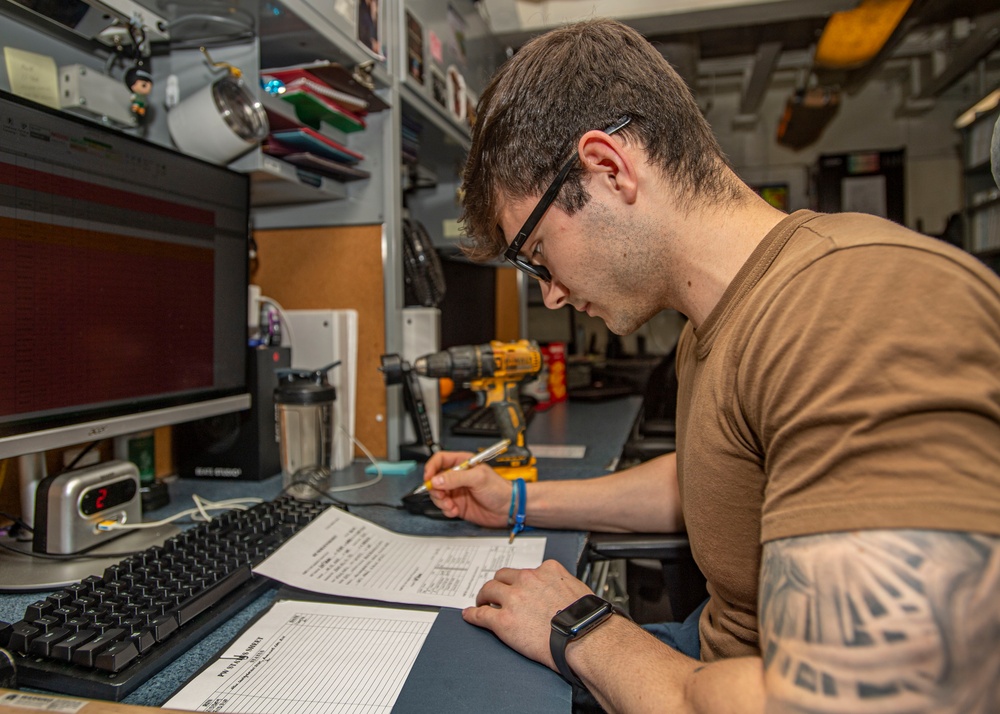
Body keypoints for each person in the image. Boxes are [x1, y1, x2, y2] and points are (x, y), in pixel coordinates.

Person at [422, 17, 1000, 714]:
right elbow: (716, 474)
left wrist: (584, 630)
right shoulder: (717, 319)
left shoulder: (856, 306)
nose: (550, 292)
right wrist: (516, 500)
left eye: (540, 253)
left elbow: (860, 700)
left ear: (608, 169)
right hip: (706, 660)